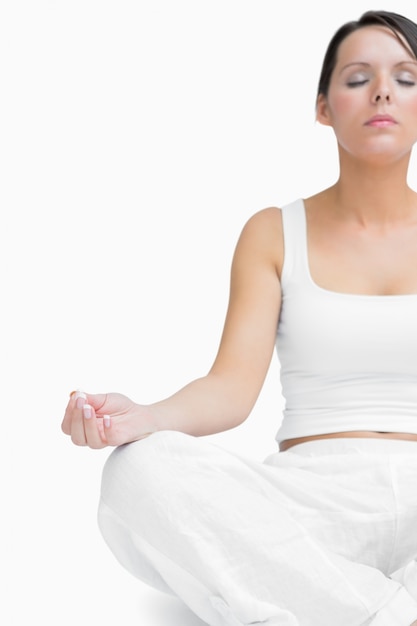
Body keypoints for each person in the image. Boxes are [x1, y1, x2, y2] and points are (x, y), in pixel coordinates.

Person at [62, 9, 417, 626]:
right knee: (138, 474)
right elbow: (230, 389)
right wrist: (143, 418)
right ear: (323, 107)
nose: (383, 91)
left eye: (407, 77)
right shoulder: (273, 232)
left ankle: (317, 606)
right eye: (358, 77)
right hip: (310, 501)